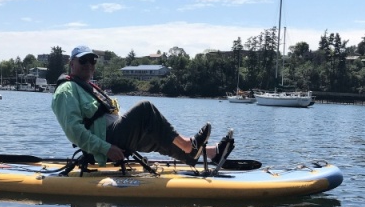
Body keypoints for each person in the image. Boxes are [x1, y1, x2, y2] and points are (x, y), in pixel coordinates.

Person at [51, 45, 234, 167]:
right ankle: (188, 145)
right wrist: (106, 149)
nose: (89, 65)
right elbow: (73, 131)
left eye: (92, 61)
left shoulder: (88, 87)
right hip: (104, 145)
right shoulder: (66, 90)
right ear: (71, 63)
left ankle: (211, 153)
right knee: (145, 108)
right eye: (83, 61)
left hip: (114, 137)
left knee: (157, 135)